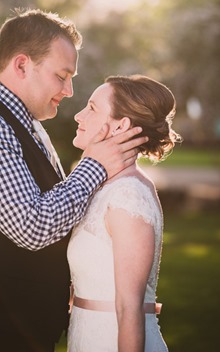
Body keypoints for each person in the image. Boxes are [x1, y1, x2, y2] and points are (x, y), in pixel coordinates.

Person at [0, 9, 147, 352]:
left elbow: (57, 212)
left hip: (21, 331)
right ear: (22, 65)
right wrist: (94, 165)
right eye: (62, 76)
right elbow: (33, 225)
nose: (69, 90)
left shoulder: (28, 125)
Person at [68, 74, 181, 352]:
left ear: (122, 126)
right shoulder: (102, 187)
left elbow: (129, 307)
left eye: (92, 108)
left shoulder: (128, 194)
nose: (78, 116)